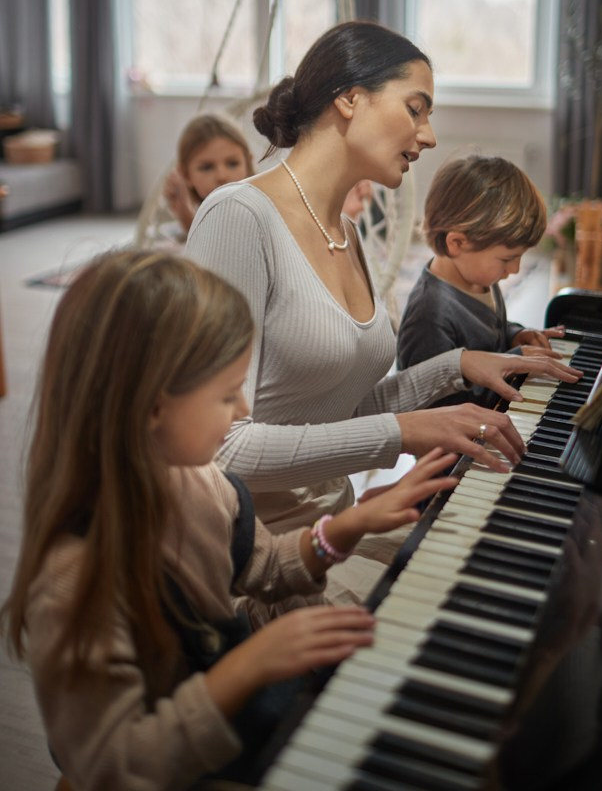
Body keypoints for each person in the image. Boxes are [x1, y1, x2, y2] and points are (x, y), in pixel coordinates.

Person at [1, 249, 458, 791]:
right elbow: (114, 767)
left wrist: (350, 526)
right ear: (151, 407)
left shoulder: (202, 482)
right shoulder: (73, 586)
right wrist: (247, 668)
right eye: (225, 394)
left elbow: (260, 564)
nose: (243, 409)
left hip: (239, 717)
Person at [186, 20, 582, 609]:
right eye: (416, 109)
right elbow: (216, 451)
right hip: (252, 558)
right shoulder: (238, 218)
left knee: (528, 578)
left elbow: (333, 413)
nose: (428, 136)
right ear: (350, 98)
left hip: (329, 525)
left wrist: (461, 365)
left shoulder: (347, 233)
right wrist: (403, 433)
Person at [397, 154, 566, 406]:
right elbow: (434, 407)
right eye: (507, 258)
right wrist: (513, 361)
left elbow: (489, 333)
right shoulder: (430, 315)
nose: (515, 269)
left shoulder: (480, 278)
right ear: (457, 243)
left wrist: (515, 335)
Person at [162, 112, 255, 239]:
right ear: (186, 175)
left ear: (248, 163)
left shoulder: (258, 212)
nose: (222, 176)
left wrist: (188, 220)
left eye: (232, 164)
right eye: (207, 167)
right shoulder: (199, 217)